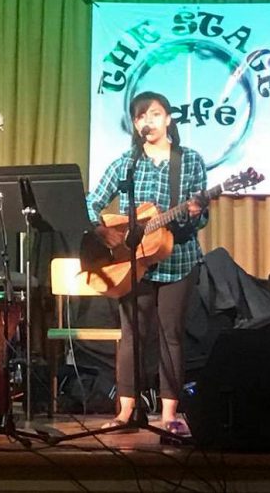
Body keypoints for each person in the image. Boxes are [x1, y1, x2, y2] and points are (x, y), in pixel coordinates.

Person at [85, 91, 208, 435]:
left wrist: (196, 212)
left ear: (169, 119)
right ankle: (127, 410)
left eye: (154, 114)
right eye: (140, 116)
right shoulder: (126, 163)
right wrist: (102, 232)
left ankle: (170, 413)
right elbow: (92, 201)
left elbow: (201, 217)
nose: (147, 121)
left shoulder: (190, 161)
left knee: (170, 335)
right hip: (132, 263)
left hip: (178, 258)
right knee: (131, 335)